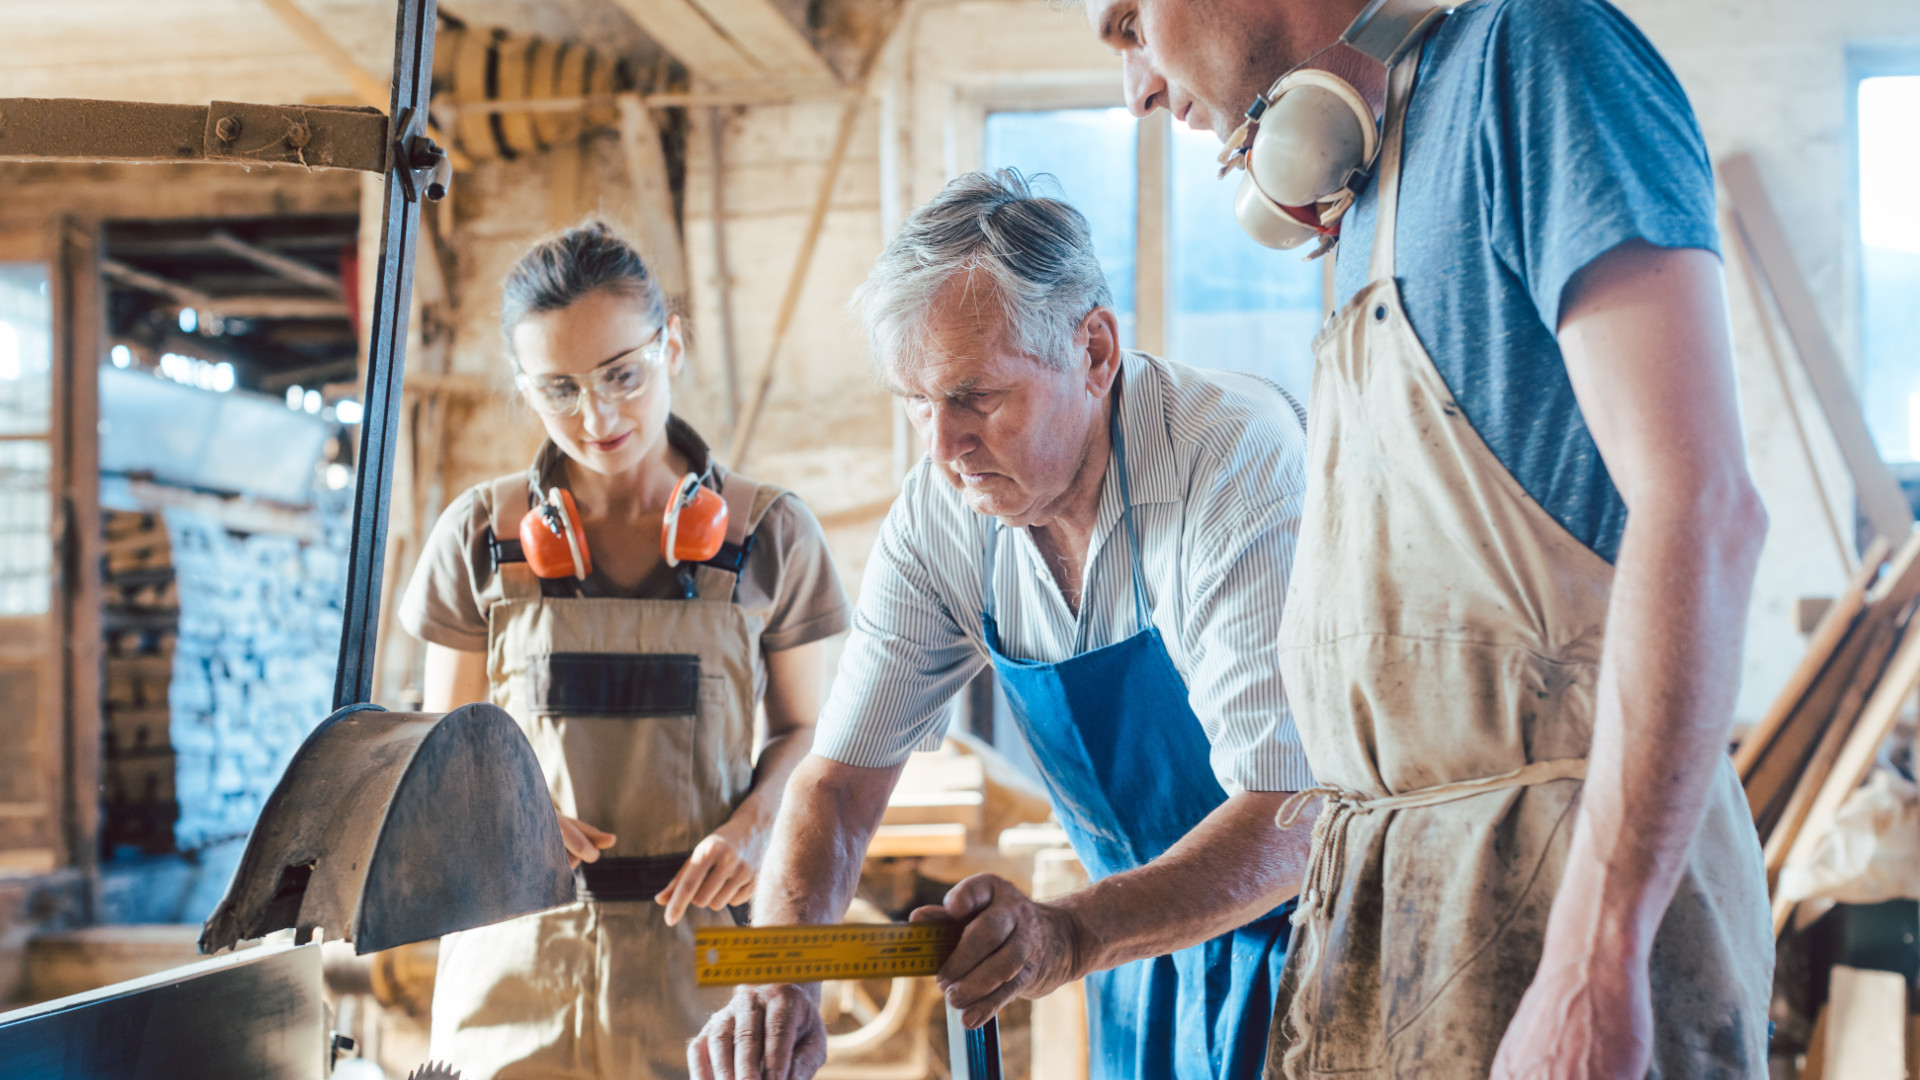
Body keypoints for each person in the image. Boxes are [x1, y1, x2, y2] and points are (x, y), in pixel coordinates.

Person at [1082, 0, 1774, 1076]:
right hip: (1398, 924)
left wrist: (1594, 967)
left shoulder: (1535, 58)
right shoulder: (1368, 188)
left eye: (1129, 22)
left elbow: (1705, 508)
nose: (1137, 89)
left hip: (1555, 913)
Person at [690, 170, 1316, 1080]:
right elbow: (834, 788)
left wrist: (1070, 932)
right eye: (917, 402)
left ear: (1093, 352)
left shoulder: (1234, 463)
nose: (943, 448)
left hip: (1312, 928)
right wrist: (786, 980)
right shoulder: (944, 512)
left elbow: (1293, 814)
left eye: (975, 396)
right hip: (1142, 944)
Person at [397, 221, 851, 1080]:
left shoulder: (768, 534)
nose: (597, 417)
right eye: (558, 390)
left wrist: (757, 829)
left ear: (670, 344)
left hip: (705, 974)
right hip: (516, 966)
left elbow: (807, 733)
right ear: (523, 387)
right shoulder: (479, 538)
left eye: (622, 376)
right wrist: (507, 805)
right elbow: (441, 742)